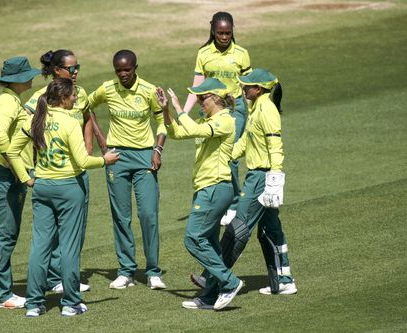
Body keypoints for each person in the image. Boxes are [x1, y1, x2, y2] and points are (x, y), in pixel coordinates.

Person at [7, 78, 119, 317]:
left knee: (40, 246)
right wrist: (105, 160)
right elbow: (83, 162)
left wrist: (26, 178)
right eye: (73, 96)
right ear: (64, 98)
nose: (76, 98)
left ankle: (34, 304)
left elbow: (12, 151)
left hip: (43, 188)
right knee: (68, 246)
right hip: (69, 189)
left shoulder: (35, 119)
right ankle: (70, 303)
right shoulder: (69, 122)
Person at [197, 69, 297, 295]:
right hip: (257, 175)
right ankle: (284, 281)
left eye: (246, 87)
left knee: (238, 228)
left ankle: (212, 278)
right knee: (270, 231)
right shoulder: (256, 108)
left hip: (261, 178)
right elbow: (245, 142)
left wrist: (275, 178)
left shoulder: (267, 109)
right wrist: (226, 156)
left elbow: (275, 145)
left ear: (258, 89)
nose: (242, 89)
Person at [156, 78, 243, 310]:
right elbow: (177, 132)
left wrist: (178, 107)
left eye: (201, 98)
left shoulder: (225, 121)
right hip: (206, 188)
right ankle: (209, 297)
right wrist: (166, 111)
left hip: (215, 187)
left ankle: (230, 282)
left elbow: (192, 128)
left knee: (193, 239)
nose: (199, 102)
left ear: (215, 98)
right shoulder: (209, 120)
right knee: (211, 243)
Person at [24, 49, 105, 293]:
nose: (76, 71)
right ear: (57, 71)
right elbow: (26, 125)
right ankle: (56, 279)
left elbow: (87, 116)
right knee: (57, 233)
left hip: (77, 170)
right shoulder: (42, 96)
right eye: (71, 68)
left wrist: (89, 145)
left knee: (74, 230)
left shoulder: (79, 92)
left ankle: (60, 277)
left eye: (77, 66)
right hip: (57, 175)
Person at [88, 49, 167, 290]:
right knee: (121, 217)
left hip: (144, 156)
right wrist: (101, 140)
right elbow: (84, 106)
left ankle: (153, 271)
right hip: (116, 157)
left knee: (148, 215)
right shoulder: (107, 88)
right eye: (118, 70)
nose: (122, 74)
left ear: (135, 68)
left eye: (127, 70)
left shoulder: (149, 90)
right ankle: (125, 271)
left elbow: (162, 122)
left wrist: (158, 150)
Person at [182, 11, 252, 226]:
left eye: (228, 33)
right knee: (212, 156)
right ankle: (222, 201)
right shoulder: (203, 53)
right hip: (211, 109)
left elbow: (248, 88)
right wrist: (183, 113)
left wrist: (251, 114)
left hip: (235, 108)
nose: (224, 37)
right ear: (213, 30)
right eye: (220, 33)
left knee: (229, 156)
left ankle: (232, 205)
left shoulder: (241, 53)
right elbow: (197, 87)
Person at [0, 56, 41, 309]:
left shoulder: (11, 99)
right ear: (18, 79)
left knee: (9, 231)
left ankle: (1, 291)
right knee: (6, 233)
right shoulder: (8, 101)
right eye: (28, 74)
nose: (32, 77)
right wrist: (13, 161)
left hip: (12, 173)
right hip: (6, 174)